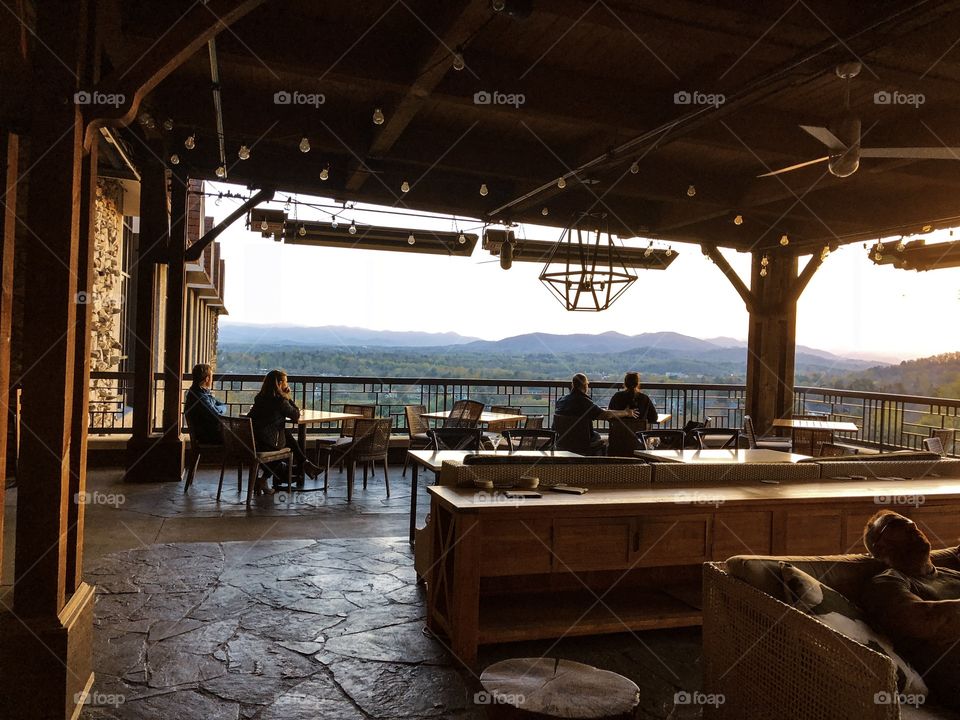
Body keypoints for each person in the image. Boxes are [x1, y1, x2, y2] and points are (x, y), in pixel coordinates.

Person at [861, 510, 960, 710]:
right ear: (880, 548)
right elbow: (927, 621)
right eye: (897, 525)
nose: (911, 527)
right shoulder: (888, 582)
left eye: (912, 523)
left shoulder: (952, 574)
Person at [247, 369, 319, 493]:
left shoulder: (260, 398)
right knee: (286, 444)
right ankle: (301, 466)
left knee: (285, 434)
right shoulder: (280, 401)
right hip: (268, 444)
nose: (287, 384)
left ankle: (302, 466)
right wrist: (288, 397)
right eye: (286, 382)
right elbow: (295, 414)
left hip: (253, 440)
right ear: (280, 384)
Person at [554, 373, 638, 454]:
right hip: (581, 443)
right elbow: (606, 415)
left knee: (596, 435)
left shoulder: (561, 400)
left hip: (562, 441)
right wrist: (626, 412)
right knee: (597, 436)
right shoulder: (584, 402)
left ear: (573, 385)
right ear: (585, 385)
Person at [184, 363, 225, 444]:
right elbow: (217, 416)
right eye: (211, 377)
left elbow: (220, 405)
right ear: (207, 379)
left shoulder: (196, 392)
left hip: (205, 434)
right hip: (208, 437)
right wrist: (220, 409)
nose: (212, 380)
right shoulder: (201, 397)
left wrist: (217, 408)